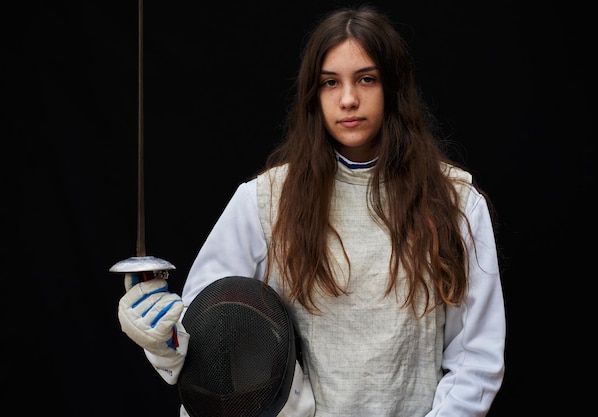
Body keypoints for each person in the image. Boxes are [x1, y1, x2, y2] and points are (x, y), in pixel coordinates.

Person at [117, 4, 506, 417]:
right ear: (313, 94)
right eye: (330, 83)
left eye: (366, 79)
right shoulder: (266, 200)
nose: (349, 99)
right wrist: (164, 338)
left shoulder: (454, 201)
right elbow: (208, 337)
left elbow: (475, 360)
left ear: (393, 87)